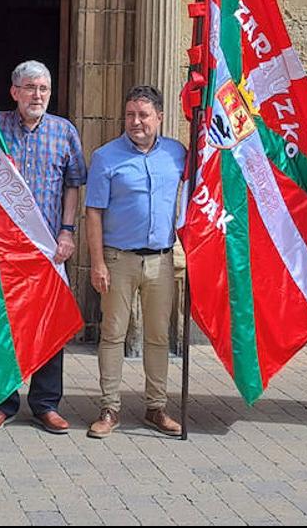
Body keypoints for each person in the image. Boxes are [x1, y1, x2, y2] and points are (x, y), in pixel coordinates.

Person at [0, 60, 86, 435]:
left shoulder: (64, 131)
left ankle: (46, 404)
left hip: (48, 248)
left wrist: (67, 232)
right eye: (30, 88)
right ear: (14, 92)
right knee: (2, 327)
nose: (37, 95)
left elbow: (73, 184)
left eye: (43, 89)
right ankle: (2, 403)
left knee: (50, 325)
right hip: (4, 248)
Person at [84, 85, 186, 439]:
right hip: (118, 259)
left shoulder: (177, 153)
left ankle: (156, 407)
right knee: (113, 334)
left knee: (159, 336)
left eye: (143, 115)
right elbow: (93, 213)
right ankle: (109, 408)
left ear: (159, 117)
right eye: (130, 115)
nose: (136, 122)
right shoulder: (106, 157)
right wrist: (97, 262)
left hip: (161, 260)